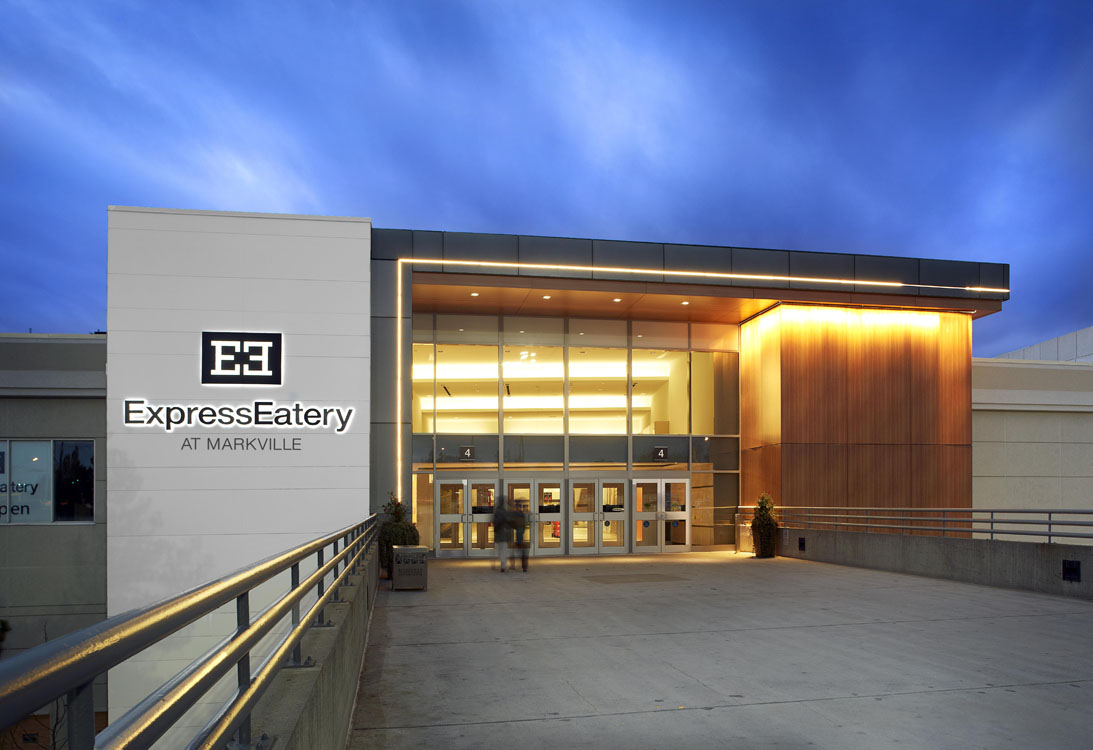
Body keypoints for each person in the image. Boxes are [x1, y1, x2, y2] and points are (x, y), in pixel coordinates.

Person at [509, 501, 529, 572]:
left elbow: (513, 523)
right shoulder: (521, 514)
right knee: (521, 550)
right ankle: (524, 567)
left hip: (518, 534)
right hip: (520, 533)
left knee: (515, 549)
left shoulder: (515, 514)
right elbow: (524, 524)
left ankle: (515, 565)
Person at [492, 498, 510, 572]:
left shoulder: (497, 512)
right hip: (504, 533)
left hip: (499, 533)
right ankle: (503, 565)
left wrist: (495, 529)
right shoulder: (505, 511)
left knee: (500, 550)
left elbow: (495, 522)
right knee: (503, 550)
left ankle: (502, 564)